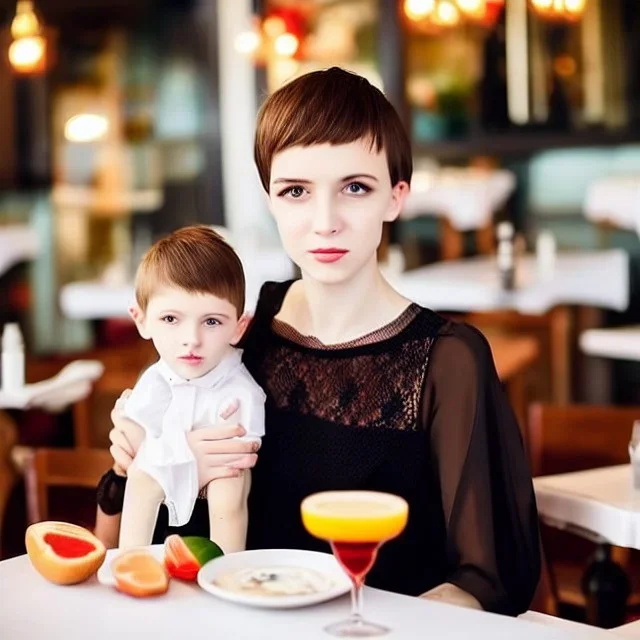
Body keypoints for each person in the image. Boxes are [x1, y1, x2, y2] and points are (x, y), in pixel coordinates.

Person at [96, 67, 540, 616]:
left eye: (355, 188)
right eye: (297, 191)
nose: (324, 222)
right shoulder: (240, 336)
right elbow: (138, 547)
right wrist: (140, 465)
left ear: (396, 198)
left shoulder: (448, 360)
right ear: (271, 200)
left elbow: (486, 579)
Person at [105, 225, 265, 553]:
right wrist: (135, 434)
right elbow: (136, 437)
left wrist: (179, 457)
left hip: (222, 468)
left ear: (239, 327)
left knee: (229, 488)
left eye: (211, 322)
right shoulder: (155, 380)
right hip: (161, 467)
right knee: (141, 475)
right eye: (171, 319)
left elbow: (240, 445)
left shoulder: (238, 386)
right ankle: (130, 564)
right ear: (142, 320)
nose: (191, 339)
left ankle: (226, 571)